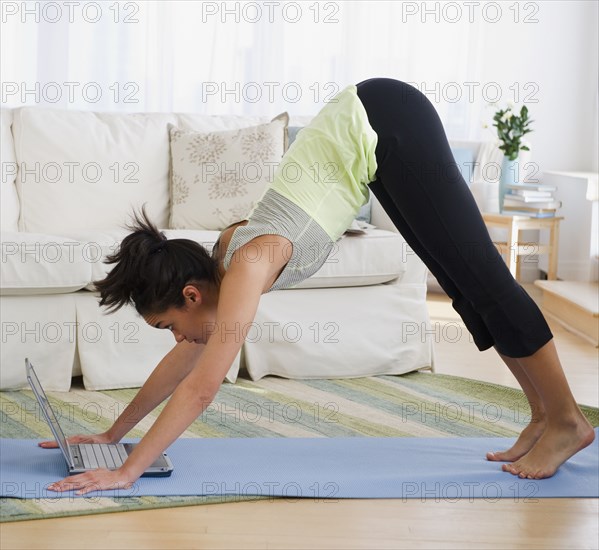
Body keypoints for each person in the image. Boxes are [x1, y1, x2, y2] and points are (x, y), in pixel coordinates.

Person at [43, 78, 594, 494]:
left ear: (191, 295)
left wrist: (127, 472)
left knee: (488, 281)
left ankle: (568, 419)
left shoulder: (247, 265)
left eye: (167, 326)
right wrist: (113, 436)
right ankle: (542, 414)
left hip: (384, 120)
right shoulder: (219, 269)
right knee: (464, 287)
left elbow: (201, 386)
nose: (175, 339)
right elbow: (191, 356)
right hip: (371, 141)